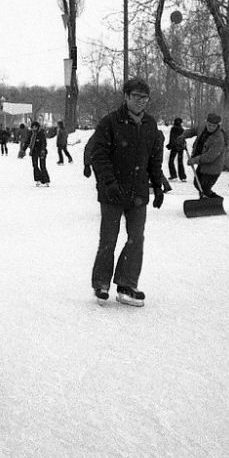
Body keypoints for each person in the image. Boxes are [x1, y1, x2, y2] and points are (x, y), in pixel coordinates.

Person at [87, 78, 165, 307]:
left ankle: (126, 283)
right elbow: (98, 155)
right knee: (108, 239)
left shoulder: (150, 125)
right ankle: (101, 283)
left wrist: (158, 185)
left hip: (138, 191)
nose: (141, 101)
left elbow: (154, 158)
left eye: (145, 97)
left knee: (136, 239)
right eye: (136, 96)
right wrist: (109, 183)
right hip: (112, 192)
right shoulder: (110, 123)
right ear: (126, 97)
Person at [187, 113, 226, 198]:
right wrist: (182, 136)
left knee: (204, 187)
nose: (211, 127)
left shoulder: (219, 138)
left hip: (213, 167)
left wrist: (194, 160)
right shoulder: (202, 129)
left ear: (217, 126)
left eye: (213, 126)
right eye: (209, 125)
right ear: (206, 123)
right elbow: (192, 131)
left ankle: (214, 202)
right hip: (202, 164)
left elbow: (210, 156)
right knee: (197, 184)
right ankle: (207, 202)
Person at [29, 121, 50, 186]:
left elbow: (44, 143)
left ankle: (46, 180)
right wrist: (23, 149)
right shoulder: (31, 134)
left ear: (38, 127)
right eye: (33, 127)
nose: (34, 128)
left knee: (42, 166)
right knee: (35, 165)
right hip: (34, 151)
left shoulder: (41, 134)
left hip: (41, 152)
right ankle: (38, 179)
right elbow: (28, 141)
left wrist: (43, 150)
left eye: (35, 127)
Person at [166, 117, 187, 181]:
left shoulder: (173, 129)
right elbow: (183, 138)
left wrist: (170, 145)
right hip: (181, 147)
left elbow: (172, 138)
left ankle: (173, 175)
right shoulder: (182, 129)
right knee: (180, 162)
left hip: (175, 147)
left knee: (171, 161)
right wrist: (184, 145)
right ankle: (182, 176)